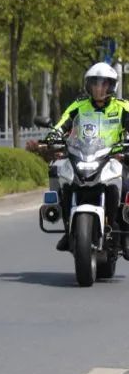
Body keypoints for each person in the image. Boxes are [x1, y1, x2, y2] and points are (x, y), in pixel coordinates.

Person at [50, 62, 129, 251]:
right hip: (83, 155)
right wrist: (54, 134)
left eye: (104, 84)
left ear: (112, 86)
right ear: (88, 85)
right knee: (60, 175)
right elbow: (62, 123)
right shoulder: (79, 106)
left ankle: (125, 233)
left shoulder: (123, 107)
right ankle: (68, 228)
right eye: (95, 84)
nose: (99, 88)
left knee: (126, 184)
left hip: (114, 157)